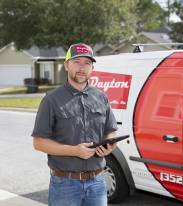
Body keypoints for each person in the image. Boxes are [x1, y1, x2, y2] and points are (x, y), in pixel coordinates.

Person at [31, 43, 118, 206]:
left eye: (87, 63)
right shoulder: (51, 99)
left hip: (98, 183)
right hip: (65, 185)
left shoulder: (101, 97)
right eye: (77, 62)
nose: (81, 68)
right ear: (66, 65)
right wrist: (74, 151)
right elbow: (39, 142)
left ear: (92, 67)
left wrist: (109, 146)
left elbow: (110, 131)